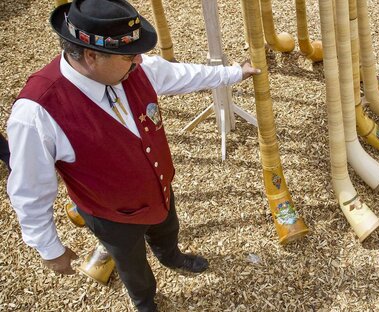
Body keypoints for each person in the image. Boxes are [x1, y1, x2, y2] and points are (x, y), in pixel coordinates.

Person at [6, 0, 260, 311]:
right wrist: (49, 248)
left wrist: (235, 73)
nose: (139, 59)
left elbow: (181, 75)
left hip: (159, 189)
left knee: (167, 228)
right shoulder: (35, 113)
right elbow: (30, 190)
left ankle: (172, 256)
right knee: (131, 264)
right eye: (129, 54)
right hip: (112, 216)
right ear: (90, 55)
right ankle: (144, 299)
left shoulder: (132, 68)